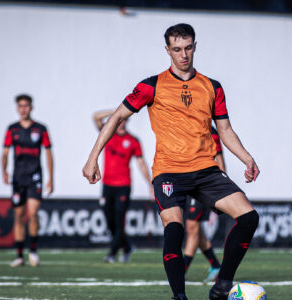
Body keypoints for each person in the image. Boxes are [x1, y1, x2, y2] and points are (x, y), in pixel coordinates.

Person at [82, 23, 260, 300]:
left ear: (195, 47)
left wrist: (247, 158)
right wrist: (92, 158)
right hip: (169, 173)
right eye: (177, 49)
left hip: (206, 170)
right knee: (175, 228)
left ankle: (222, 286)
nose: (183, 54)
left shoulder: (212, 87)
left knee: (249, 217)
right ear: (168, 50)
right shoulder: (151, 86)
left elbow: (224, 130)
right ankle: (180, 297)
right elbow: (116, 117)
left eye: (188, 48)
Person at [93, 109, 153, 263]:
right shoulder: (108, 134)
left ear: (127, 121)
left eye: (123, 119)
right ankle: (126, 247)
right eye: (118, 120)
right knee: (110, 221)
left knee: (120, 220)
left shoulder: (133, 141)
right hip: (107, 185)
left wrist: (150, 183)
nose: (121, 123)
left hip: (124, 185)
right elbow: (96, 117)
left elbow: (141, 163)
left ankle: (112, 253)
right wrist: (117, 111)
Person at [2, 94, 54, 267]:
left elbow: (48, 153)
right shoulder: (12, 129)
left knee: (33, 214)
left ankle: (32, 251)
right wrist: (4, 171)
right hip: (18, 178)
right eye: (20, 106)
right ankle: (19, 255)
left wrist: (51, 179)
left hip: (35, 177)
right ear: (17, 108)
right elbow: (5, 153)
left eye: (26, 106)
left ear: (31, 107)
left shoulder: (40, 129)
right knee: (19, 216)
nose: (23, 109)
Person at [184, 126, 224, 282]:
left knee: (192, 227)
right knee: (195, 229)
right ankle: (215, 265)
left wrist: (221, 188)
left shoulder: (211, 132)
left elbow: (219, 158)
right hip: (188, 183)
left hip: (203, 184)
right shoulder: (187, 126)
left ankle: (182, 269)